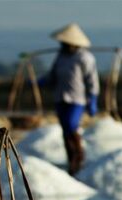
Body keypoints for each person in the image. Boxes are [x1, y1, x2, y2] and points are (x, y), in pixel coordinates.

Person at [41, 23, 100, 175]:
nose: (63, 45)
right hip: (61, 98)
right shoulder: (61, 57)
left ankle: (79, 157)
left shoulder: (84, 57)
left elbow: (91, 79)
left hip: (77, 99)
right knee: (65, 130)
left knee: (71, 125)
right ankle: (71, 160)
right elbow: (52, 75)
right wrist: (41, 81)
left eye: (65, 43)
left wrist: (92, 98)